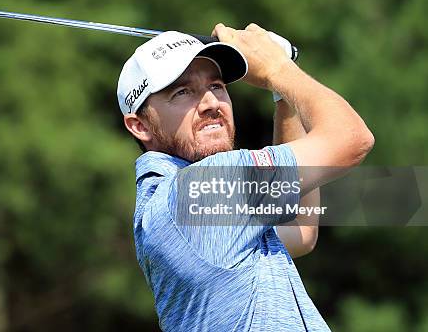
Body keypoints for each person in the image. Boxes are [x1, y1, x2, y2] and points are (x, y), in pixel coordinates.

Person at [116, 24, 374, 331]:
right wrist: (278, 68)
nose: (211, 103)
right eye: (182, 92)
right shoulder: (198, 192)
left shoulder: (178, 208)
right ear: (140, 126)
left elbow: (299, 229)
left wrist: (282, 95)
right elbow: (352, 138)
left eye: (216, 86)